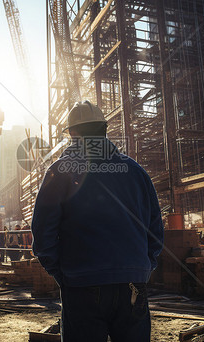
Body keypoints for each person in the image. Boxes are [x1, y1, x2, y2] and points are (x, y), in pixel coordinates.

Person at [32, 101, 164, 341]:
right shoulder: (135, 172)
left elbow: (43, 235)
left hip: (81, 284)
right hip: (132, 282)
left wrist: (63, 274)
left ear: (72, 134)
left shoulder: (59, 171)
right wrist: (141, 268)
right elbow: (155, 230)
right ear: (105, 129)